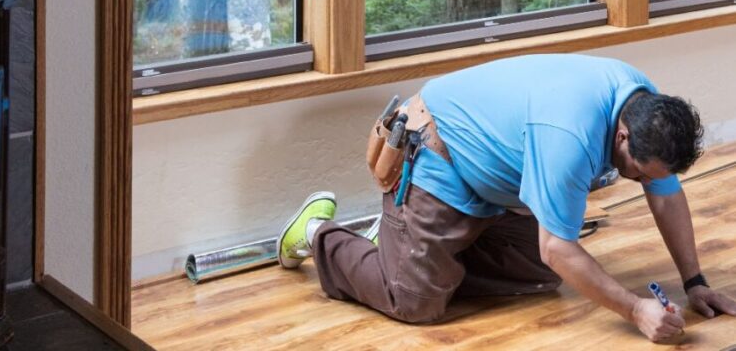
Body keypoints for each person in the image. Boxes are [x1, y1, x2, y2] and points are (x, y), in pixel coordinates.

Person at [276, 54, 736, 343]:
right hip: (438, 156)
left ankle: (405, 242)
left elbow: (667, 195)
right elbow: (557, 247)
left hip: (494, 182)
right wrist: (636, 309)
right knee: (416, 302)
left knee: (540, 276)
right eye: (637, 172)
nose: (640, 182)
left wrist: (694, 281)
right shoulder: (567, 137)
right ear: (622, 135)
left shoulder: (644, 108)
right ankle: (319, 233)